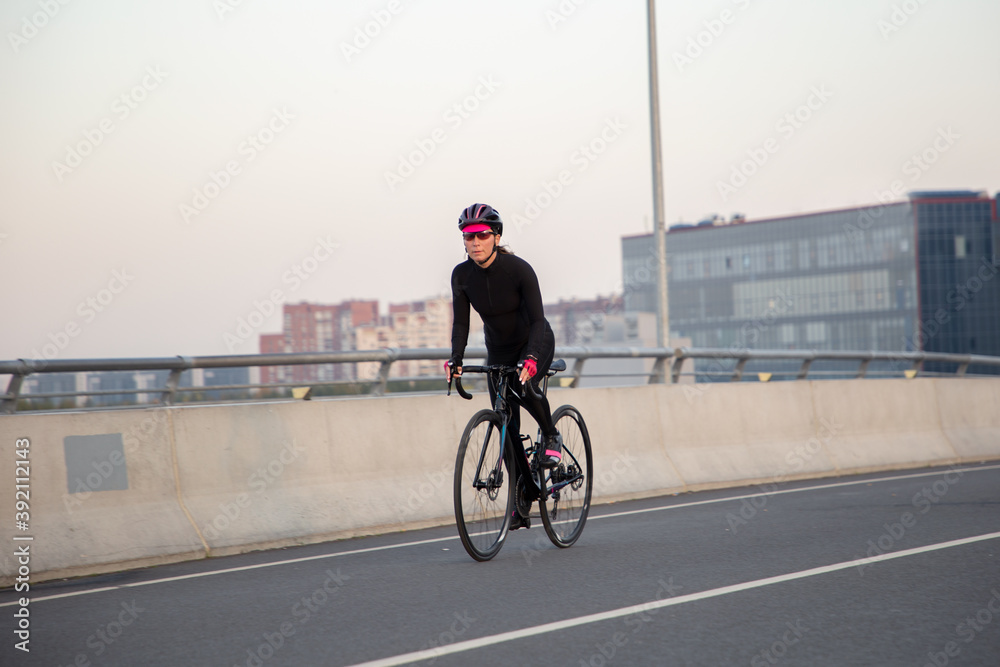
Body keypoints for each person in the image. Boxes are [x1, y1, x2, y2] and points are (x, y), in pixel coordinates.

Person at [445, 203, 562, 530]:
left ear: (496, 236)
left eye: (482, 235)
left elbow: (538, 320)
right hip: (498, 350)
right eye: (469, 236)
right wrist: (456, 359)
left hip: (534, 341)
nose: (475, 242)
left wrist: (532, 357)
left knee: (524, 387)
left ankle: (552, 434)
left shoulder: (518, 269)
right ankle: (523, 494)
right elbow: (461, 325)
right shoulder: (462, 275)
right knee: (505, 423)